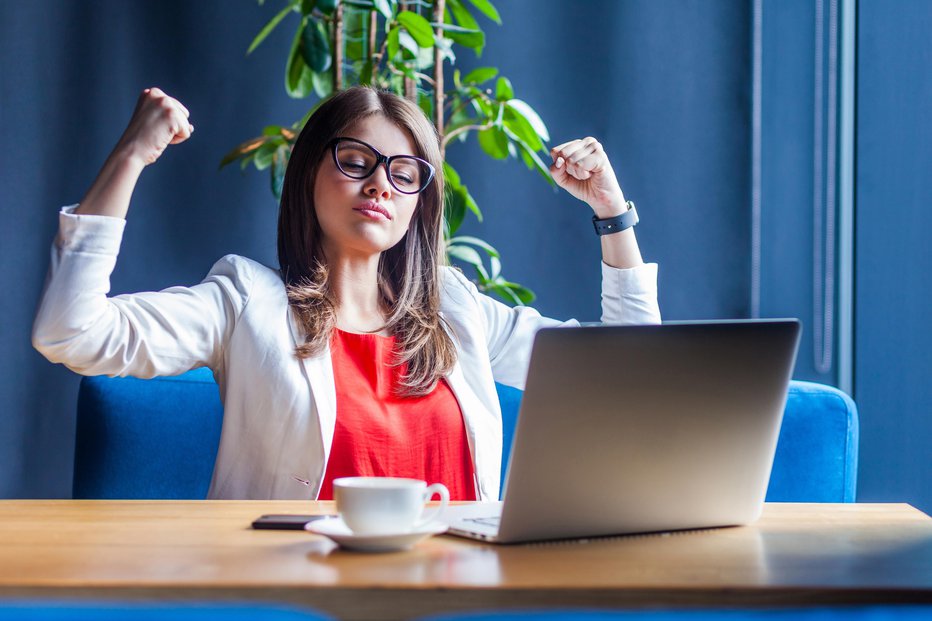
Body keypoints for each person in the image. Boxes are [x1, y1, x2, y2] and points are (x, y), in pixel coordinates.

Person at [32, 86, 661, 501]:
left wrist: (611, 213)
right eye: (356, 160)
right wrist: (132, 156)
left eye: (404, 173)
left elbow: (629, 376)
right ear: (309, 172)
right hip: (298, 600)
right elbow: (71, 331)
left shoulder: (457, 312)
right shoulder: (244, 302)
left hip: (461, 600)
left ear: (420, 203)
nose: (380, 185)